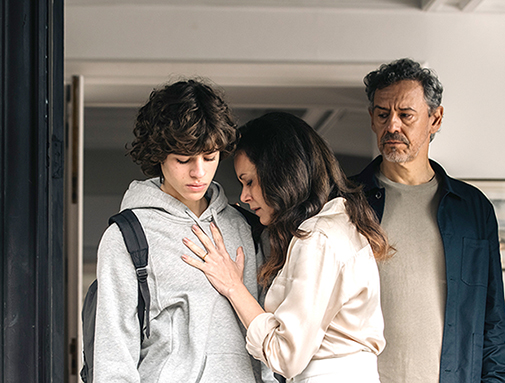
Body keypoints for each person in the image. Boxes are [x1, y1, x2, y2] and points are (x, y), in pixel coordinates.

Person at [181, 111, 391, 383]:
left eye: (250, 181)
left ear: (280, 173)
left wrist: (233, 286)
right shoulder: (342, 221)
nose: (244, 196)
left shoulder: (318, 238)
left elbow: (285, 356)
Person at [92, 79, 268, 382]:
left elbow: (268, 342)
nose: (198, 172)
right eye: (183, 160)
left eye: (209, 158)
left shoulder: (244, 227)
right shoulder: (128, 237)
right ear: (159, 155)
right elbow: (113, 358)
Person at [351, 58, 505, 382]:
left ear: (435, 119)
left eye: (405, 115)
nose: (392, 126)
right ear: (372, 118)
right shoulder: (344, 201)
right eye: (383, 114)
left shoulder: (473, 209)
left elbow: (491, 321)